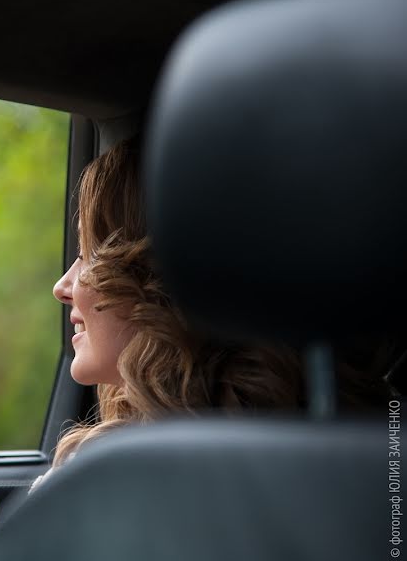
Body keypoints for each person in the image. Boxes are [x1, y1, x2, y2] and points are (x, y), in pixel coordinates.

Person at [45, 135, 391, 476]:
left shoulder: (115, 475)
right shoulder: (352, 444)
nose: (62, 287)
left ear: (165, 282)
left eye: (87, 254)